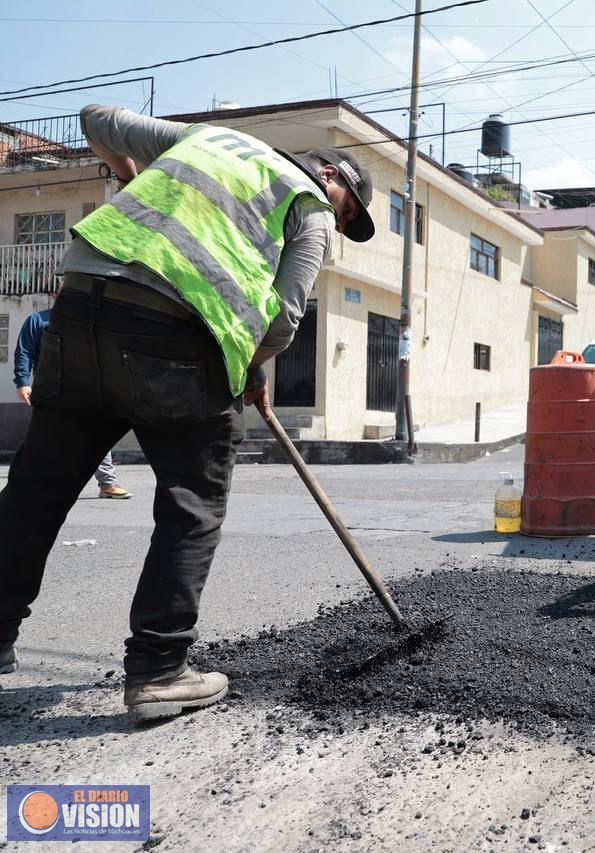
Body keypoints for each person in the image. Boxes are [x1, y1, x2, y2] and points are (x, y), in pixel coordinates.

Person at [0, 105, 375, 715]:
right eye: (346, 209)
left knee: (35, 491)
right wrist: (250, 366)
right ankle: (159, 668)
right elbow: (283, 316)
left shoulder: (209, 141)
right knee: (192, 504)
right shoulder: (307, 206)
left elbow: (95, 119)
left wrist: (130, 176)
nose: (338, 220)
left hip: (80, 311)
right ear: (329, 175)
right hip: (174, 337)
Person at [13, 306, 132, 500]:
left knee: (97, 432)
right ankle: (36, 484)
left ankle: (108, 483)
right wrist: (22, 382)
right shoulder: (38, 320)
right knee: (47, 436)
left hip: (86, 386)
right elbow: (24, 352)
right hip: (50, 388)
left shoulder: (85, 322)